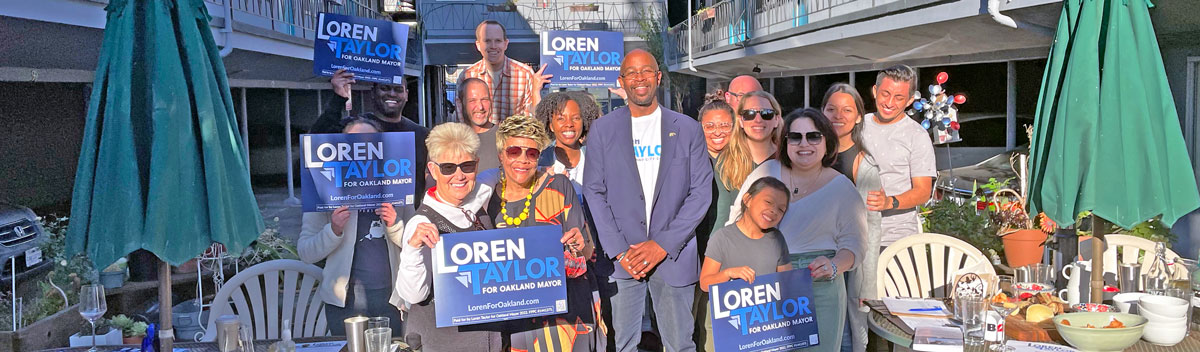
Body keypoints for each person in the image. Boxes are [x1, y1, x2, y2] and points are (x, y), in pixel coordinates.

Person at [584, 49, 712, 352]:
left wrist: (662, 245)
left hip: (673, 256)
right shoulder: (603, 129)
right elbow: (594, 191)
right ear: (621, 80)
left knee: (680, 344)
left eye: (646, 71)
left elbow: (700, 193)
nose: (639, 78)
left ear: (658, 77)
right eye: (631, 72)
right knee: (623, 344)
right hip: (622, 259)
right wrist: (618, 250)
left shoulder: (687, 129)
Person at [727, 108, 867, 352]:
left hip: (819, 287)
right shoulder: (765, 173)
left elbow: (855, 246)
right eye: (795, 137)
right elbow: (734, 225)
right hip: (764, 287)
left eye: (813, 136)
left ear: (827, 142)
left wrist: (834, 265)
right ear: (785, 141)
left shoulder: (843, 188)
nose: (804, 144)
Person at [479, 114, 607, 351]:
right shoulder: (487, 198)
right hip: (513, 318)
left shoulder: (558, 186)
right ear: (501, 155)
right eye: (514, 151)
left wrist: (581, 244)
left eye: (532, 153)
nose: (523, 159)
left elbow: (589, 252)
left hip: (564, 316)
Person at [297, 117, 410, 337]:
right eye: (353, 144)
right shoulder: (324, 192)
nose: (362, 149)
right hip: (344, 302)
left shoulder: (398, 188)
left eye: (370, 143)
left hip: (392, 297)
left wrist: (395, 226)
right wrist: (333, 230)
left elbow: (415, 246)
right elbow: (306, 252)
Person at [397, 123, 502, 352]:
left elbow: (496, 174)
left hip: (487, 340)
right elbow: (413, 294)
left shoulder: (476, 198)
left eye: (467, 166)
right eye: (448, 168)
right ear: (433, 171)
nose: (459, 175)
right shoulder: (421, 223)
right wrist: (414, 249)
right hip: (444, 343)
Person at [822, 83, 884, 352]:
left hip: (846, 267)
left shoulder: (863, 163)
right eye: (831, 109)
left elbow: (871, 227)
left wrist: (866, 284)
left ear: (859, 116)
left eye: (847, 110)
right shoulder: (808, 152)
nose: (838, 115)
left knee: (846, 336)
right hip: (811, 259)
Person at [311, 69, 431, 203]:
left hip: (406, 218)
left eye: (398, 89)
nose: (391, 94)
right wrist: (338, 98)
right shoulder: (355, 128)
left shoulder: (423, 135)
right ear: (373, 92)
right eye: (384, 88)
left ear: (406, 95)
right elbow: (315, 141)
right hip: (357, 217)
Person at [699, 177, 793, 347]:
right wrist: (728, 273)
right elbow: (705, 283)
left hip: (764, 330)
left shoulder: (777, 239)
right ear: (747, 199)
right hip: (726, 329)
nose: (773, 211)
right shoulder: (722, 238)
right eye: (768, 202)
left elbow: (788, 283)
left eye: (781, 209)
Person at [862, 65, 936, 246]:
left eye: (899, 97)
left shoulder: (917, 135)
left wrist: (889, 202)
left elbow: (923, 192)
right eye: (885, 93)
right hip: (855, 237)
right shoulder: (857, 127)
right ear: (874, 90)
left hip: (895, 240)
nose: (889, 102)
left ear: (910, 100)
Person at [458, 20, 551, 124]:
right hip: (479, 139)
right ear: (478, 45)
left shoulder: (525, 74)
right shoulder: (466, 76)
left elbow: (533, 117)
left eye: (498, 40)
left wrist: (536, 91)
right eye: (487, 41)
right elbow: (462, 119)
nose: (493, 46)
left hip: (513, 138)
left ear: (505, 44)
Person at [535, 91, 601, 193]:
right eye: (561, 119)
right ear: (551, 126)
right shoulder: (539, 163)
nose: (569, 124)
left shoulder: (598, 159)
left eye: (576, 118)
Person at [457, 77, 501, 171]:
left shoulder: (505, 137)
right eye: (472, 101)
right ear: (460, 103)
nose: (480, 107)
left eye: (484, 100)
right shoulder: (448, 139)